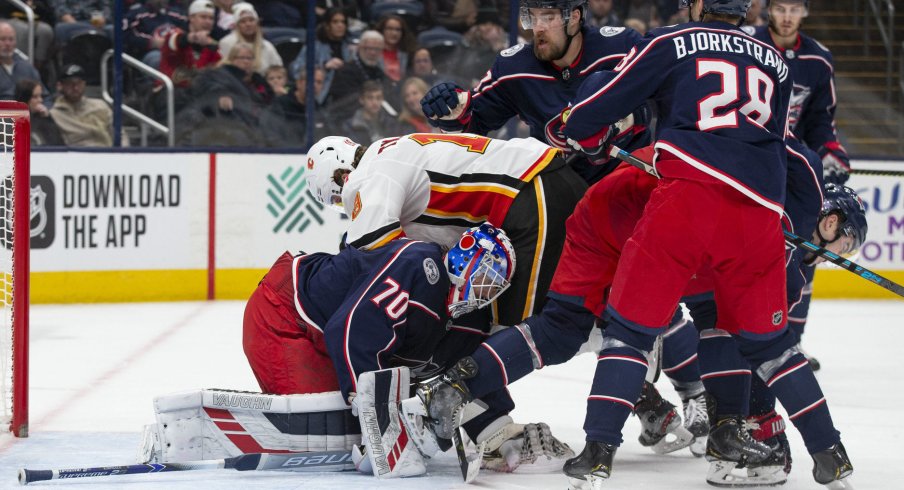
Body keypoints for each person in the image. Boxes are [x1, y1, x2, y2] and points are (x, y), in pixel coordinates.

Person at [546, 1, 852, 487]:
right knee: (774, 348)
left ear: (698, 6)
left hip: (687, 198)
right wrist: (789, 228)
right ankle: (829, 452)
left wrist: (575, 130)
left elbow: (603, 103)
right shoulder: (774, 60)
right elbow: (789, 150)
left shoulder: (670, 40)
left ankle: (598, 451)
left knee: (630, 332)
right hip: (759, 214)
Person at [243, 223, 572, 476]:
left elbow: (467, 373)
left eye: (494, 285)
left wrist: (497, 432)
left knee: (349, 433)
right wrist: (371, 405)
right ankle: (250, 435)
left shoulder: (470, 320)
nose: (486, 290)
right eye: (485, 276)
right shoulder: (418, 264)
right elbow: (349, 329)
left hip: (331, 339)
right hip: (288, 313)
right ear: (463, 258)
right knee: (323, 440)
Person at [420, 0, 651, 185]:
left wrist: (625, 121)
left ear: (575, 18)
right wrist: (451, 111)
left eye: (548, 17)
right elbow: (474, 124)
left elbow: (665, 97)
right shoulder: (514, 68)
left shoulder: (620, 48)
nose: (537, 27)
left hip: (629, 180)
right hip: (560, 191)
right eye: (532, 16)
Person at [744, 0, 850, 371]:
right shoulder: (745, 43)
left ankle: (791, 344)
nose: (787, 16)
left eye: (795, 9)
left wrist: (830, 151)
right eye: (781, 7)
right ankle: (741, 335)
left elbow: (821, 121)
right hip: (746, 165)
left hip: (794, 171)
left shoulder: (819, 60)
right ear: (769, 9)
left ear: (805, 13)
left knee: (805, 253)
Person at [289, 7, 355, 106]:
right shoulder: (314, 47)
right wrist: (324, 67)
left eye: (343, 22)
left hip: (346, 98)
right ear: (327, 25)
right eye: (335, 22)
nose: (340, 25)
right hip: (321, 98)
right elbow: (296, 71)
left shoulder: (349, 47)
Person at [50, 63, 127, 147]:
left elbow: (120, 135)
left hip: (108, 154)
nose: (75, 88)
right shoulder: (54, 114)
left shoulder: (100, 106)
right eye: (70, 83)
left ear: (84, 84)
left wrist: (122, 153)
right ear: (60, 86)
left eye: (79, 83)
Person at [325, 30, 386, 121]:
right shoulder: (345, 72)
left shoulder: (380, 73)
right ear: (360, 48)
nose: (373, 53)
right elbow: (343, 104)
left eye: (377, 49)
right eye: (369, 48)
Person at [260, 65, 328, 146]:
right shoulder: (280, 106)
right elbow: (271, 137)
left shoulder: (320, 111)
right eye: (310, 80)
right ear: (299, 83)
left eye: (319, 82)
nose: (314, 85)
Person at [216, 2, 282, 76]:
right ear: (237, 25)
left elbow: (278, 71)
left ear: (257, 23)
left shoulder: (267, 46)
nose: (248, 24)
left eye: (251, 20)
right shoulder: (226, 43)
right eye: (243, 21)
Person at [123, 0, 187, 69]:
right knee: (159, 60)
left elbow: (188, 29)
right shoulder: (137, 14)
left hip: (178, 50)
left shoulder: (177, 13)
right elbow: (126, 35)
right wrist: (151, 42)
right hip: (153, 52)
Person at [0, 21, 51, 105]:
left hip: (30, 114)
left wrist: (45, 109)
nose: (8, 44)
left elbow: (46, 97)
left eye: (11, 39)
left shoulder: (26, 67)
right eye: (2, 39)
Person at [341, 80, 398, 146]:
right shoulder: (349, 127)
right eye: (370, 98)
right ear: (361, 100)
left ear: (382, 99)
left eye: (378, 98)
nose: (375, 102)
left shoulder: (391, 123)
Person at [14, 78, 64, 146]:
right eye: (35, 97)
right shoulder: (10, 122)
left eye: (40, 96)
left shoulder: (44, 118)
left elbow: (57, 144)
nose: (40, 100)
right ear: (25, 98)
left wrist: (48, 118)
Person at [376, 14, 417, 83]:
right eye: (389, 29)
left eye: (398, 30)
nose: (394, 33)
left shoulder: (410, 54)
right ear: (382, 31)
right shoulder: (373, 52)